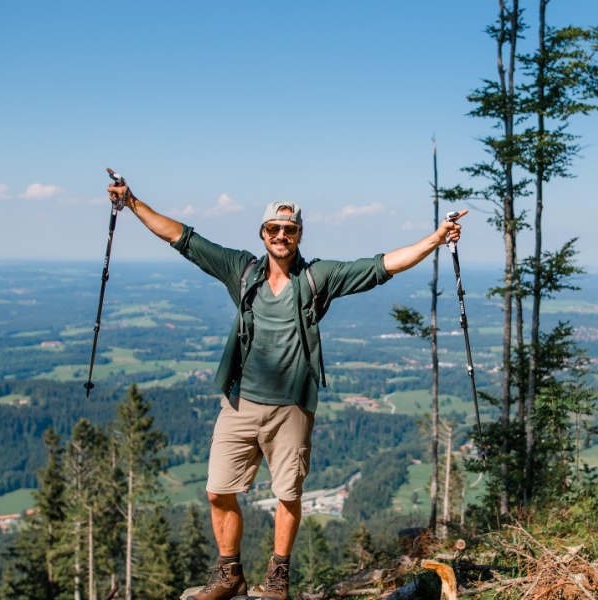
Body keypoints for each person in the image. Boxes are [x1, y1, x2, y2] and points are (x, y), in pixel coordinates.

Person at [107, 180, 465, 600]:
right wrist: (130, 202)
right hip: (239, 401)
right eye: (274, 229)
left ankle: (277, 578)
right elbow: (181, 237)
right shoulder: (240, 269)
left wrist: (437, 239)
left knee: (287, 494)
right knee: (218, 490)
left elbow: (384, 265)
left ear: (299, 235)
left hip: (292, 407)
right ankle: (229, 575)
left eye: (289, 230)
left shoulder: (318, 277)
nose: (281, 235)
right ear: (262, 234)